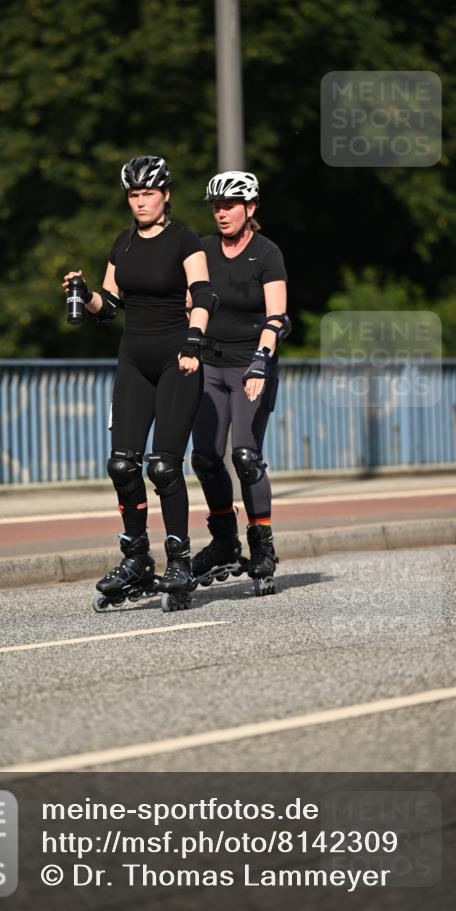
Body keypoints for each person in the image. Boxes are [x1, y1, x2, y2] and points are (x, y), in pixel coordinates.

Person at [62, 155, 217, 607]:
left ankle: (180, 561)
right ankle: (136, 558)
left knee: (164, 466)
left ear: (165, 195)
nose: (141, 201)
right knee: (122, 465)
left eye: (149, 193)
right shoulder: (122, 243)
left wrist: (194, 343)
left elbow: (205, 294)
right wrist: (84, 292)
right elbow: (109, 306)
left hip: (177, 359)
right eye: (134, 194)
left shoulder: (185, 240)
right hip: (133, 359)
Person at [190, 171, 290, 595]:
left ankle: (261, 545)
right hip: (209, 366)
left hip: (251, 365)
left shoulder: (267, 253)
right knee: (206, 458)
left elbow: (278, 317)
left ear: (250, 209)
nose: (221, 213)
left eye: (229, 205)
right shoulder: (204, 250)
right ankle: (225, 539)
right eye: (216, 206)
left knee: (246, 456)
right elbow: (189, 306)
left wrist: (260, 362)